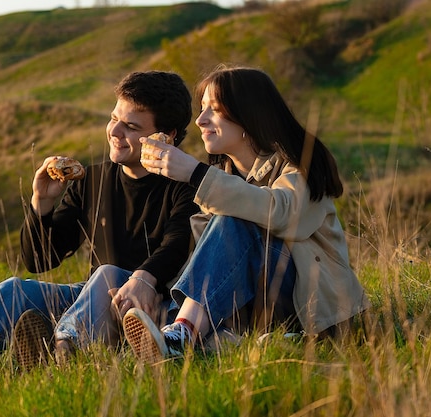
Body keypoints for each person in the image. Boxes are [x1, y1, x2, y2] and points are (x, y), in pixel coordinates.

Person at [0, 70, 199, 369]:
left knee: (109, 274)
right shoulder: (93, 180)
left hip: (152, 311)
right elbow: (40, 260)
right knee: (15, 289)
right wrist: (42, 203)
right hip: (91, 302)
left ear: (166, 136)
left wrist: (143, 278)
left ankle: (61, 357)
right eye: (114, 118)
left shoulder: (187, 182)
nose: (114, 131)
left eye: (130, 126)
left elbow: (176, 244)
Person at [122, 66, 371, 364]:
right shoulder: (221, 175)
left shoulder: (300, 160)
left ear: (247, 115)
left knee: (234, 219)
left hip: (311, 305)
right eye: (201, 110)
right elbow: (217, 265)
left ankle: (182, 334)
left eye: (213, 110)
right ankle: (235, 341)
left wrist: (196, 175)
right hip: (252, 305)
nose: (200, 121)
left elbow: (283, 213)